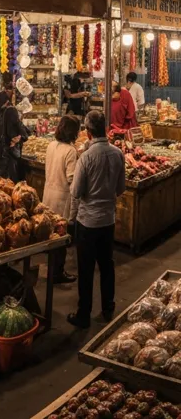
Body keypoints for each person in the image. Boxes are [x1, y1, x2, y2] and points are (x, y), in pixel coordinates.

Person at [67, 111, 125, 329]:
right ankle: (108, 307)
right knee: (107, 265)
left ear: (88, 132)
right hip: (108, 220)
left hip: (88, 222)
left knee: (86, 269)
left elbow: (76, 191)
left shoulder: (86, 157)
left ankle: (84, 314)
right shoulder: (117, 154)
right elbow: (120, 189)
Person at [44, 116, 81, 285]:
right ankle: (57, 273)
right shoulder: (70, 151)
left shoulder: (51, 146)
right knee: (61, 237)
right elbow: (72, 179)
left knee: (51, 235)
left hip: (48, 196)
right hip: (62, 199)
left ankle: (52, 270)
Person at [0, 90, 30, 180]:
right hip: (8, 153)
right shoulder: (11, 111)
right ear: (8, 100)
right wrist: (20, 137)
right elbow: (24, 132)